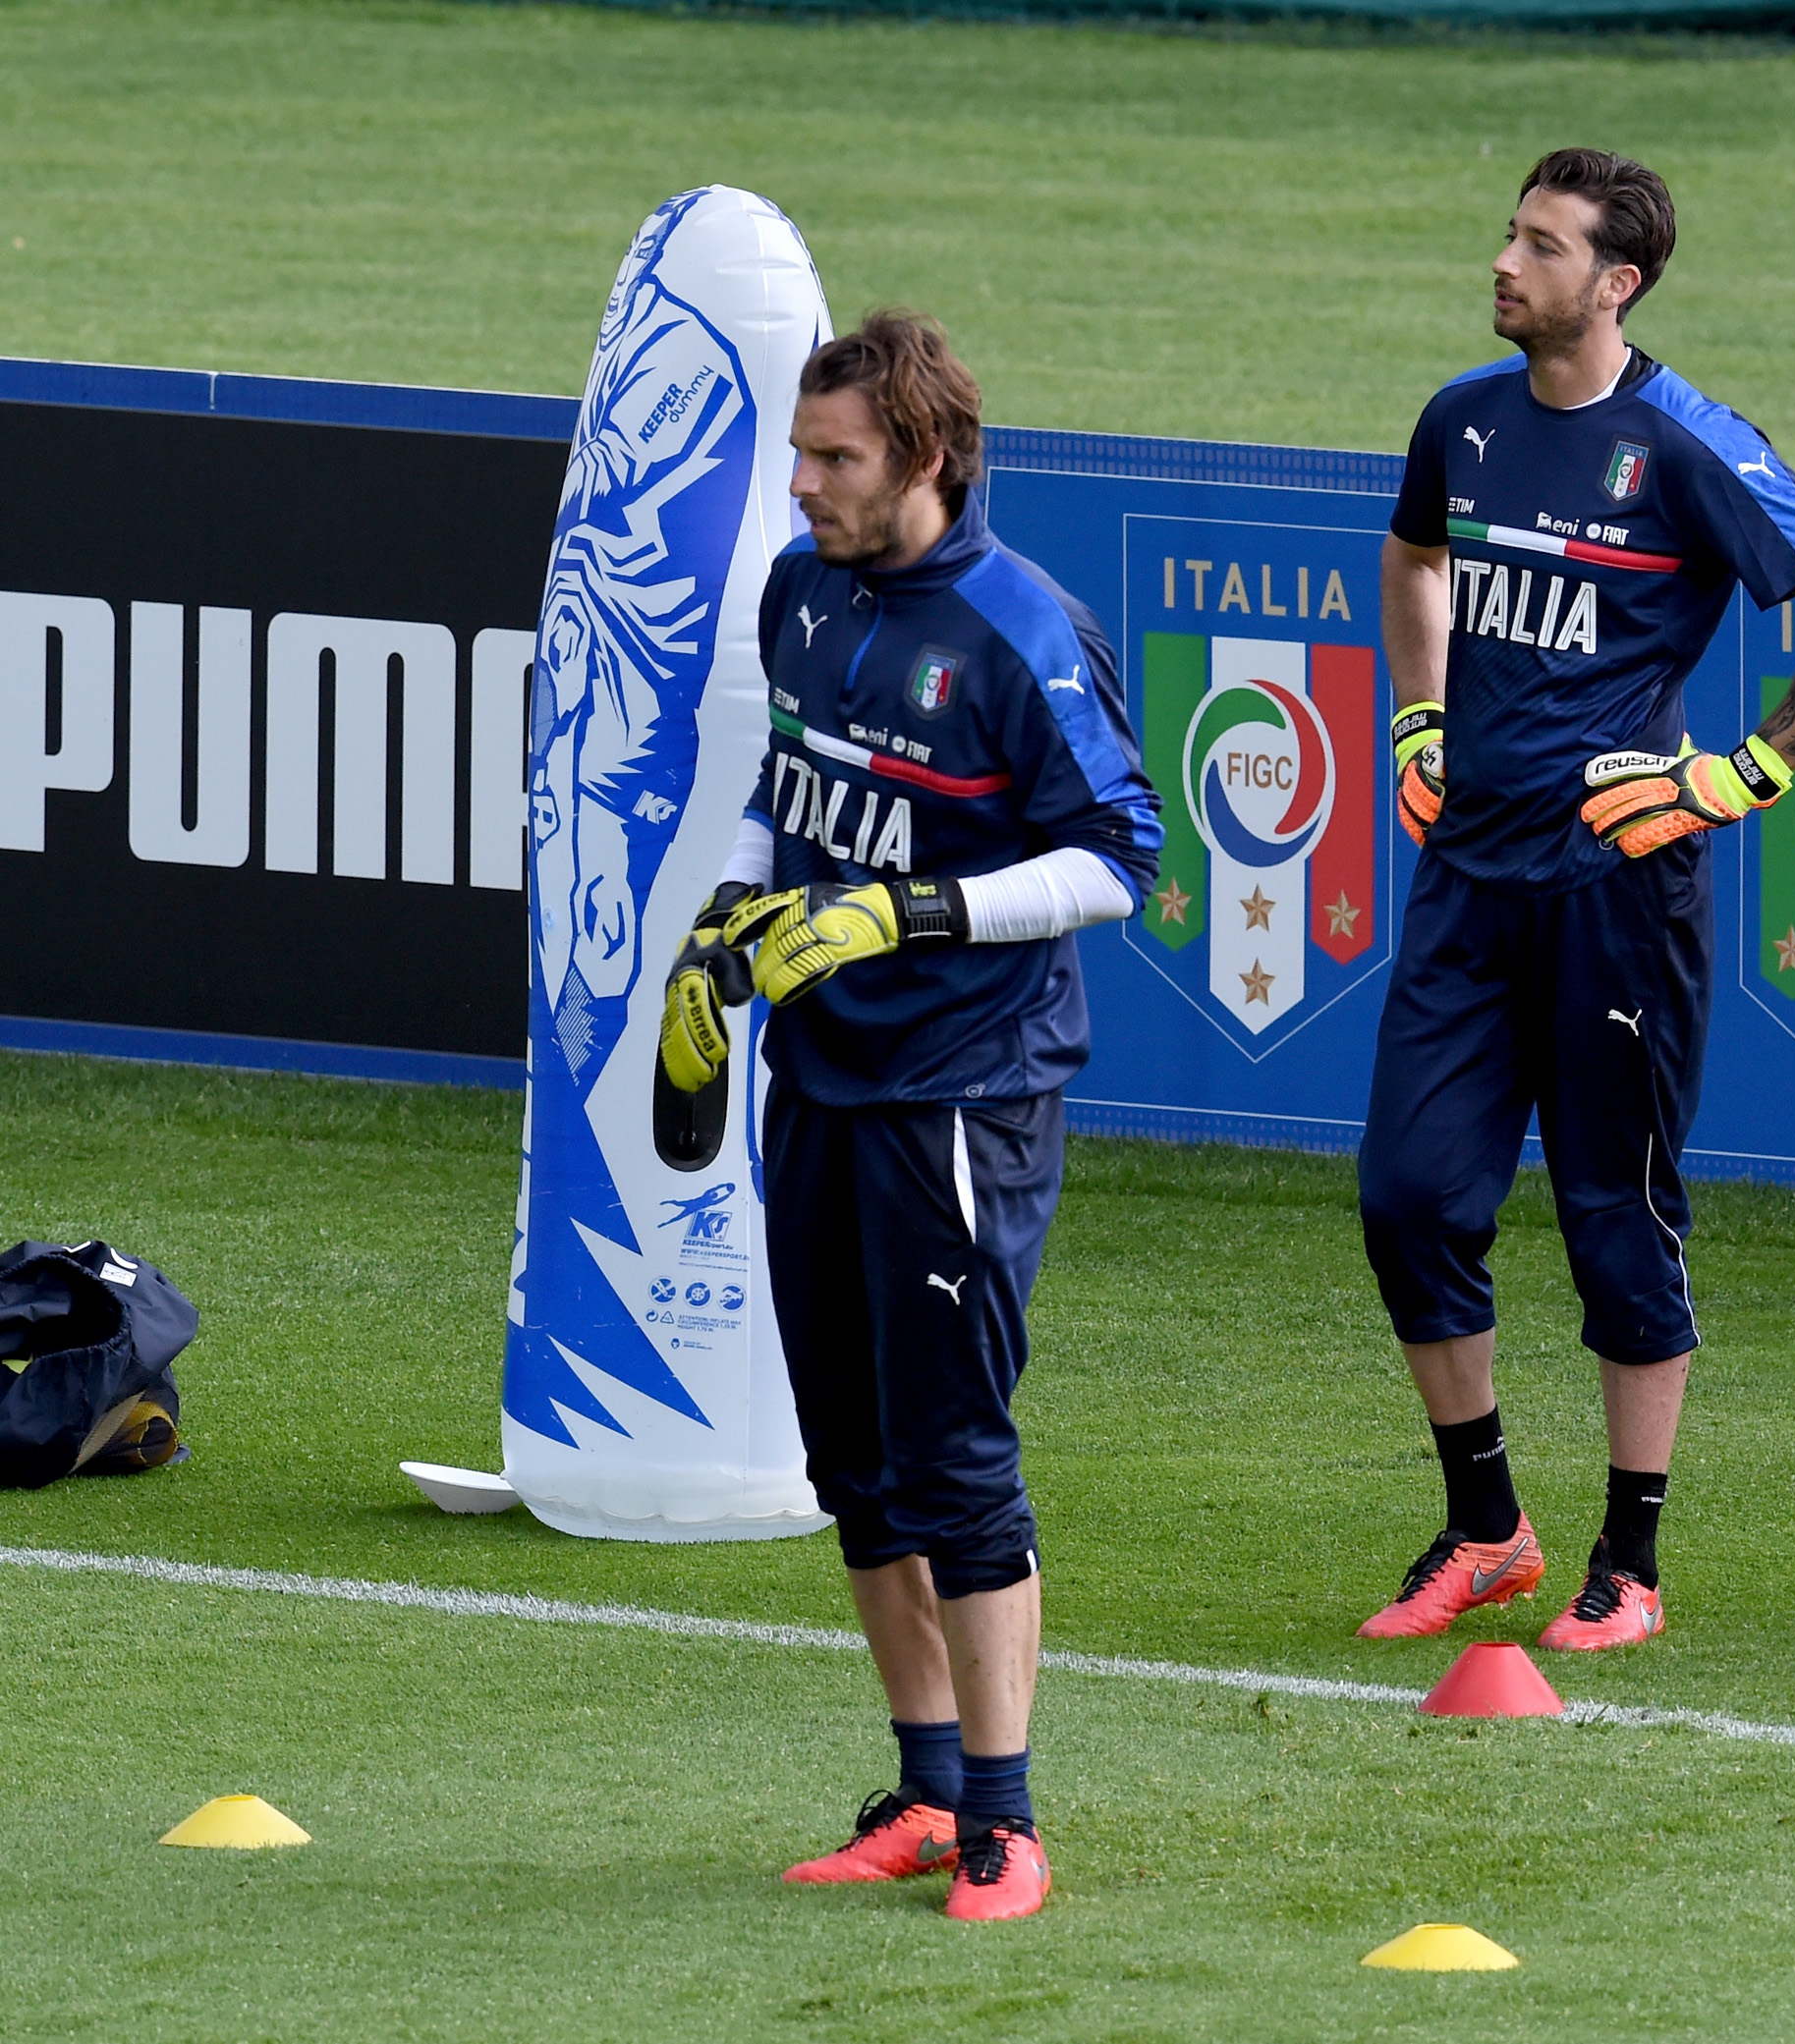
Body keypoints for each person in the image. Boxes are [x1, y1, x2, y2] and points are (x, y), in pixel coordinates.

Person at [1354, 148, 1795, 1652]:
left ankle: (1630, 1559)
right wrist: (1418, 719)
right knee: (1409, 1200)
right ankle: (1487, 1531)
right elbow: (1411, 559)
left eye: (1541, 246)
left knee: (1618, 1219)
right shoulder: (1459, 423)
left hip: (1619, 892)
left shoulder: (1684, 442)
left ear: (1619, 283)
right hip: (1467, 878)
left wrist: (1745, 776)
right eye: (1509, 234)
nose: (1504, 262)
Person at [655, 310, 1160, 1918]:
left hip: (960, 1095)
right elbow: (784, 783)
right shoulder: (805, 587)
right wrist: (725, 922)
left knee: (953, 1460)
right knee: (856, 1464)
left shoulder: (1022, 631)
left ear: (926, 463)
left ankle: (1009, 1821)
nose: (800, 485)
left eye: (834, 459)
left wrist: (908, 915)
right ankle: (929, 1789)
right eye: (799, 454)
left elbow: (1120, 859)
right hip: (818, 1075)